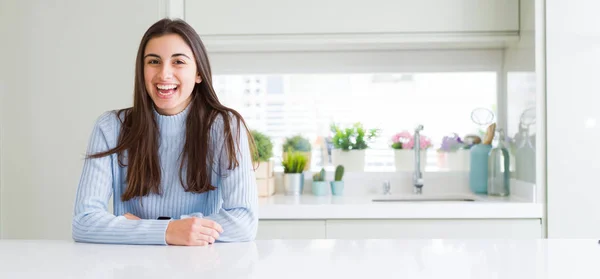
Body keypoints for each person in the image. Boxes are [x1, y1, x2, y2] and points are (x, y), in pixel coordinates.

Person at [72, 18, 258, 246]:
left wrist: (149, 228)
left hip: (200, 266)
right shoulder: (110, 127)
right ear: (142, 71)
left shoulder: (225, 126)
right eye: (153, 62)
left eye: (178, 62)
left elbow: (243, 223)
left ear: (199, 73)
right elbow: (84, 222)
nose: (164, 74)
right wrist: (169, 231)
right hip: (133, 267)